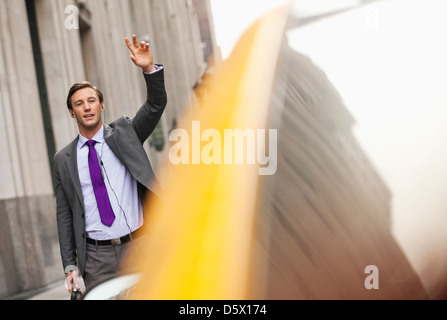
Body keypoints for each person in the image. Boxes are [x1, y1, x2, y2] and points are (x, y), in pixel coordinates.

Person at [54, 34, 167, 293]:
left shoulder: (126, 133)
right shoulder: (63, 159)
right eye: (79, 104)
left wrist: (149, 69)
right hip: (96, 258)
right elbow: (64, 215)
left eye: (92, 101)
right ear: (72, 113)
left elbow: (155, 105)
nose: (87, 107)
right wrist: (70, 265)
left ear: (102, 105)